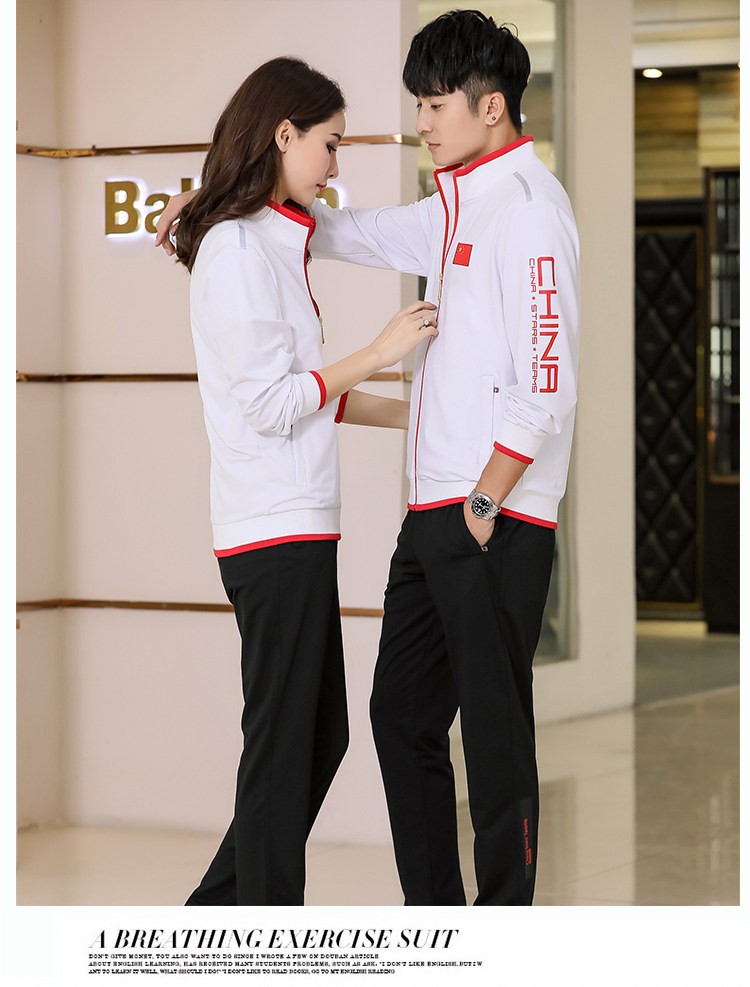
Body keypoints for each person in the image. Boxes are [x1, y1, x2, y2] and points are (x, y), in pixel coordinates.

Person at [157, 10, 579, 907]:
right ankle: (437, 922)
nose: (420, 122)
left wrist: (485, 502)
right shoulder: (451, 207)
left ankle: (505, 932)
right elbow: (342, 229)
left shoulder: (533, 210)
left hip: (493, 513)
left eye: (433, 104)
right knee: (398, 716)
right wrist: (217, 199)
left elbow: (548, 382)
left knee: (495, 735)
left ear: (491, 106)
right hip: (431, 517)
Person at [167, 55, 437, 907]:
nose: (334, 164)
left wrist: (420, 418)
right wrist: (380, 352)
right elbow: (272, 402)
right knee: (287, 747)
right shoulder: (236, 250)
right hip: (270, 531)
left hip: (299, 527)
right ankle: (256, 938)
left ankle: (212, 920)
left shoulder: (272, 239)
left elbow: (312, 396)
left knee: (314, 741)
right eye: (330, 143)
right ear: (283, 134)